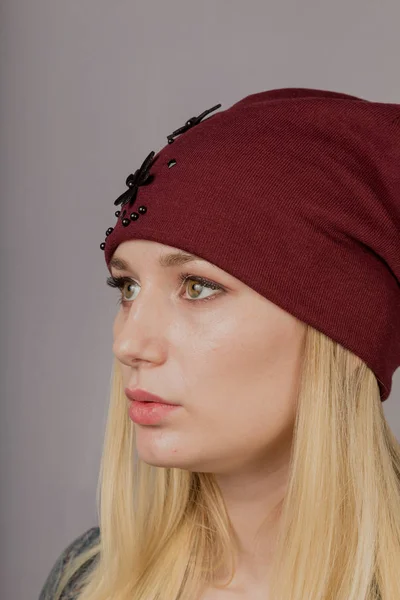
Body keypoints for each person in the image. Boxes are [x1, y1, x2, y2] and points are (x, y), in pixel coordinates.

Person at [39, 87, 400, 600]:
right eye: (127, 287)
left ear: (336, 334)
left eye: (197, 286)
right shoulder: (88, 578)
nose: (129, 342)